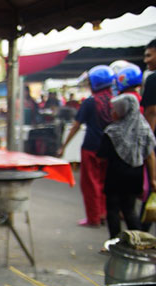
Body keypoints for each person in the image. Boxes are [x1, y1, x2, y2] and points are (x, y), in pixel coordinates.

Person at [59, 65, 115, 227]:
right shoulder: (116, 101)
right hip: (110, 149)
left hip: (91, 148)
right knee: (105, 183)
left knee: (91, 184)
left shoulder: (90, 103)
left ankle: (93, 218)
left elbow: (76, 126)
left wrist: (64, 145)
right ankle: (104, 213)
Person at [98, 94, 156, 239]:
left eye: (115, 110)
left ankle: (115, 241)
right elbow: (150, 156)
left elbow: (102, 155)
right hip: (135, 175)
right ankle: (137, 240)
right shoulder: (144, 129)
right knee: (129, 210)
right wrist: (153, 179)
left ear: (123, 111)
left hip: (114, 175)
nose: (113, 113)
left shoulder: (112, 131)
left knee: (112, 209)